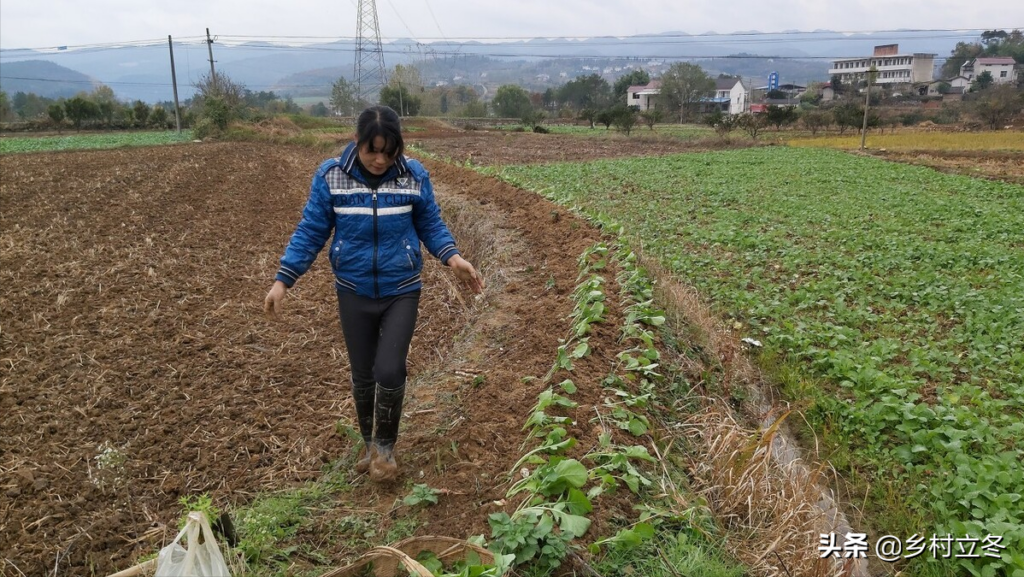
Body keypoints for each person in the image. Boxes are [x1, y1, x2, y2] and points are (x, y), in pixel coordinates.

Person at [264, 105, 484, 483]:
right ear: (357, 142)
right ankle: (368, 445)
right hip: (353, 288)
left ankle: (385, 449)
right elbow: (311, 230)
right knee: (363, 374)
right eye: (373, 150)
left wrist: (453, 257)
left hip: (402, 288)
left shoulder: (414, 176)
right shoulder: (331, 176)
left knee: (389, 368)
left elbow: (430, 222)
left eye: (390, 151)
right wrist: (284, 279)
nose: (381, 159)